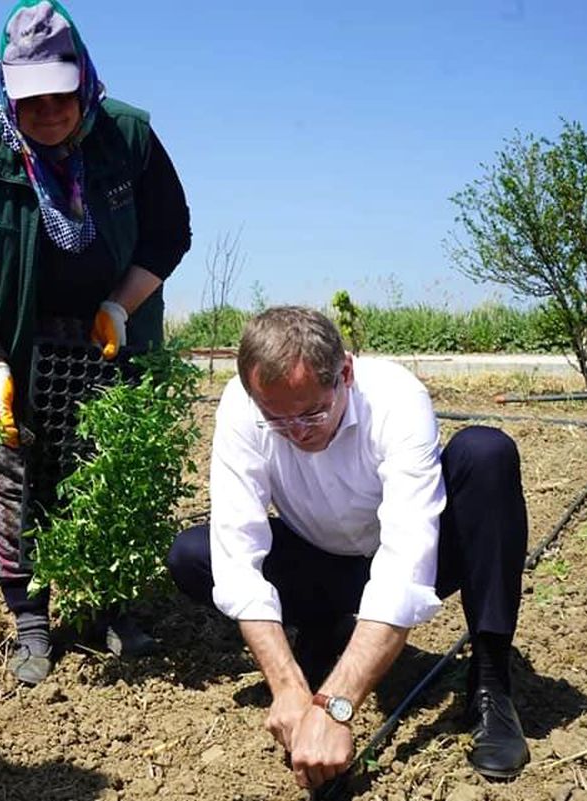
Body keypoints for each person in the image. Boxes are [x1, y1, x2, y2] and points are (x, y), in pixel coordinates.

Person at [0, 0, 191, 686]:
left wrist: (117, 305)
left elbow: (170, 232)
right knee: (13, 478)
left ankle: (109, 606)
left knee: (109, 470)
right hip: (13, 348)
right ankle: (30, 619)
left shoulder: (128, 137)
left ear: (84, 79)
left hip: (109, 341)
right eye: (31, 99)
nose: (48, 112)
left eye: (60, 95)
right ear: (7, 91)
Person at [167, 307, 531, 789]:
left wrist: (334, 706)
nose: (297, 431)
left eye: (312, 413)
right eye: (277, 419)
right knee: (195, 553)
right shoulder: (243, 407)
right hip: (323, 563)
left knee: (486, 454)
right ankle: (323, 627)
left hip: (421, 558)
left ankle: (490, 683)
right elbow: (238, 552)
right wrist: (288, 687)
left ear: (345, 374)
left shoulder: (396, 399)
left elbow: (404, 565)